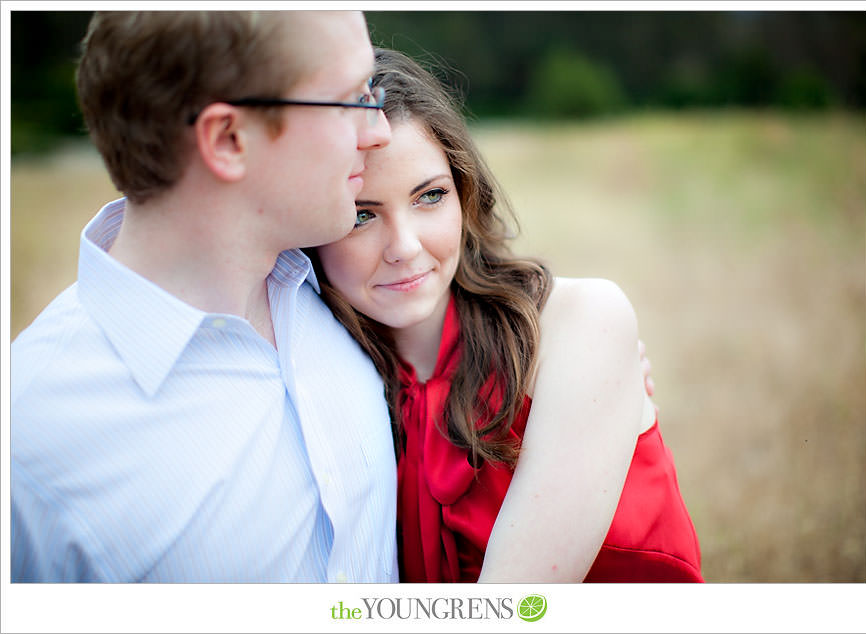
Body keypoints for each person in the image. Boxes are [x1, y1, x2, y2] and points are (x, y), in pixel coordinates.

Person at [11, 11, 399, 582]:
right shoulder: (28, 446)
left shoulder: (351, 288)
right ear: (228, 139)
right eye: (348, 100)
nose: (380, 130)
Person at [309, 48, 703, 582]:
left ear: (464, 194)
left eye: (429, 197)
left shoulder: (580, 322)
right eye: (361, 215)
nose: (404, 246)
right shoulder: (321, 374)